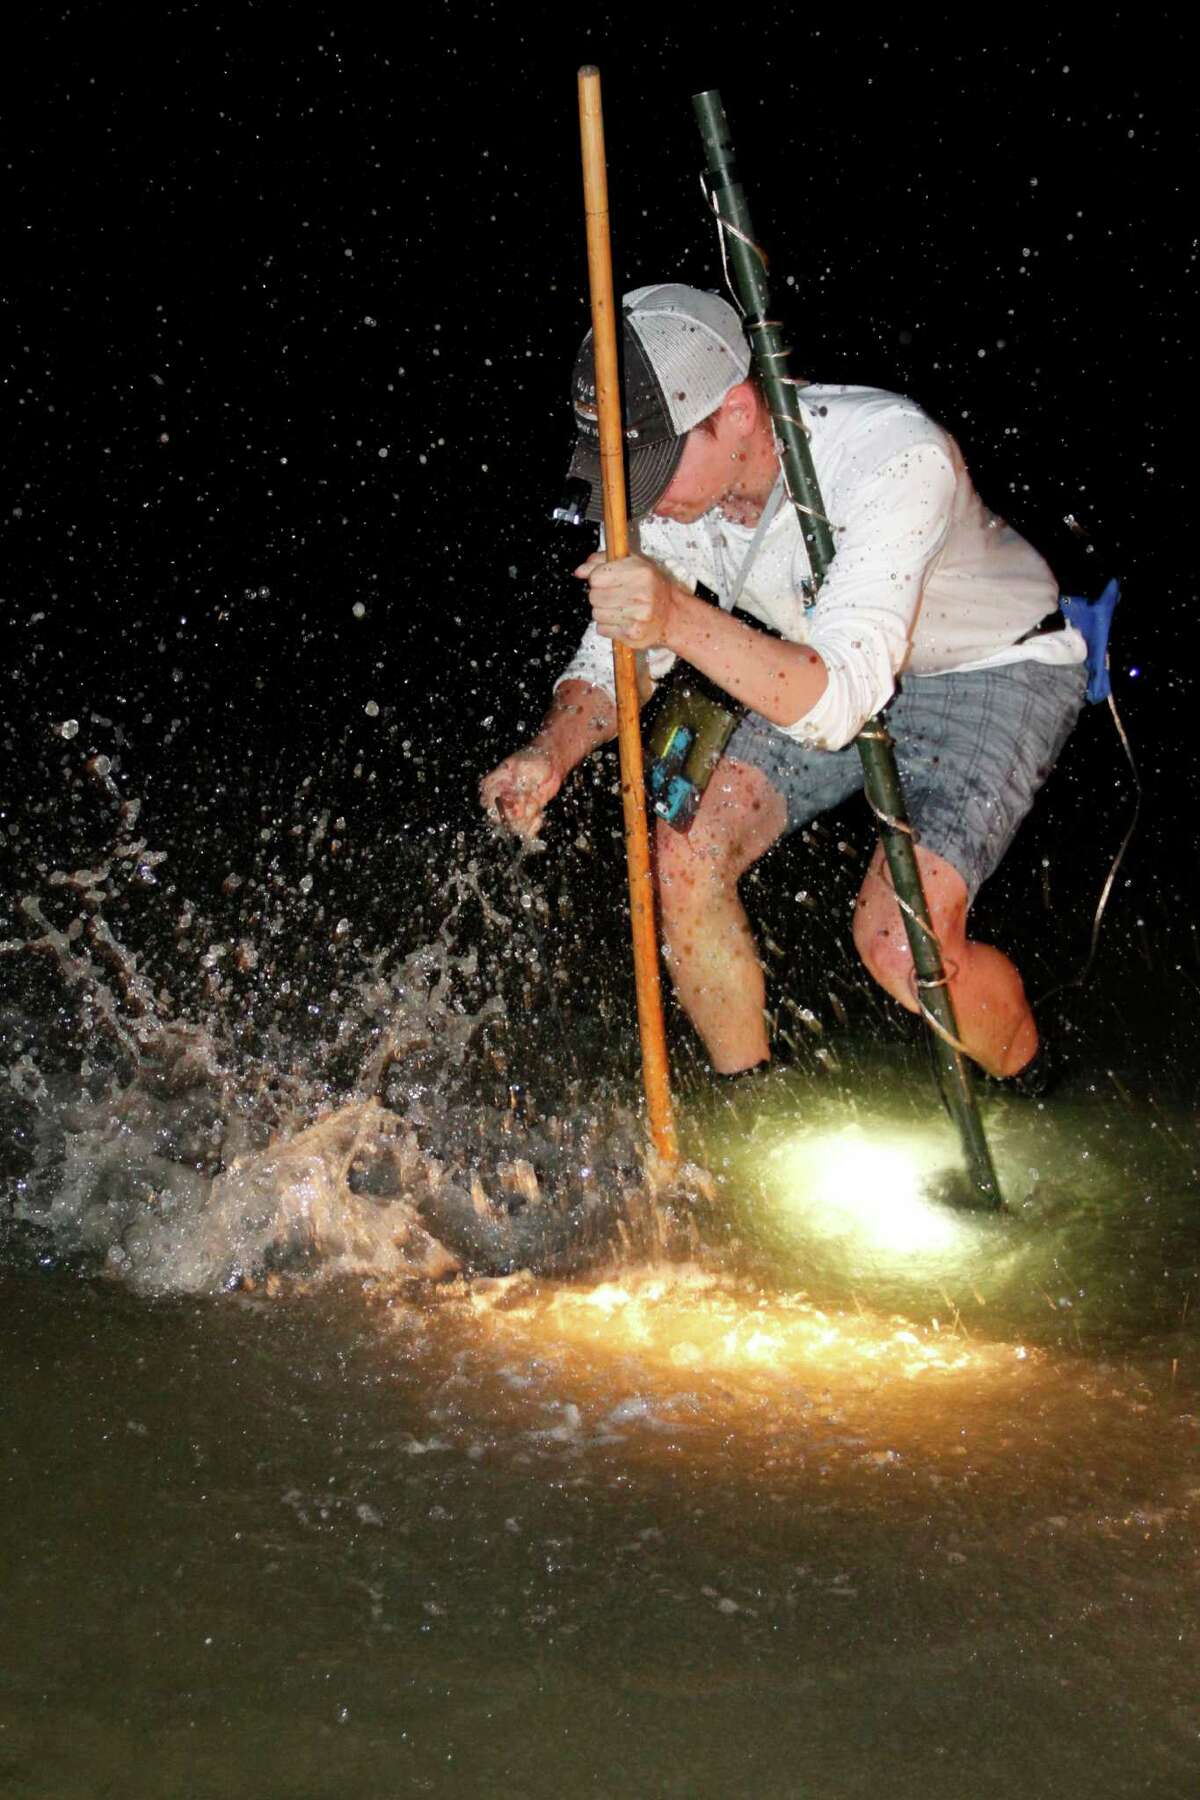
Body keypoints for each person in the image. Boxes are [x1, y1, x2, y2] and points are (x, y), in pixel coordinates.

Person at [480, 283, 1087, 1082]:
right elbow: (619, 651)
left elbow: (834, 705)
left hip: (993, 666)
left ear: (737, 412)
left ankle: (1035, 1087)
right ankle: (755, 1102)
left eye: (652, 465)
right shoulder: (668, 493)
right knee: (683, 853)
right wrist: (551, 751)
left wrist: (673, 617)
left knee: (903, 946)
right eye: (620, 469)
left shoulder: (894, 455)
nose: (638, 501)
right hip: (826, 656)